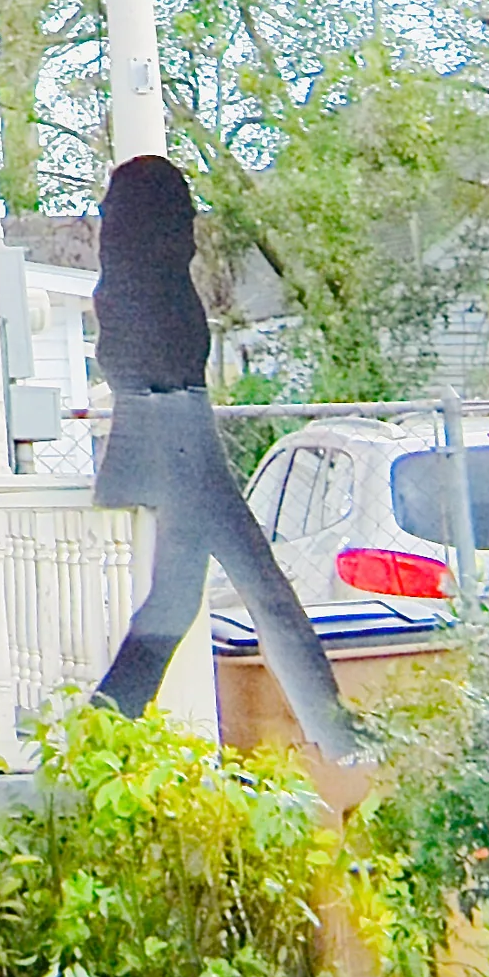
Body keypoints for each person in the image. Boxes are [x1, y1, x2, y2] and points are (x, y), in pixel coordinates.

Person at [88, 150, 359, 766]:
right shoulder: (151, 295)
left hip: (177, 431)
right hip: (180, 436)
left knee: (178, 601)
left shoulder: (139, 290)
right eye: (181, 212)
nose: (190, 224)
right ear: (161, 220)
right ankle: (338, 733)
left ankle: (106, 722)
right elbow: (159, 382)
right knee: (265, 586)